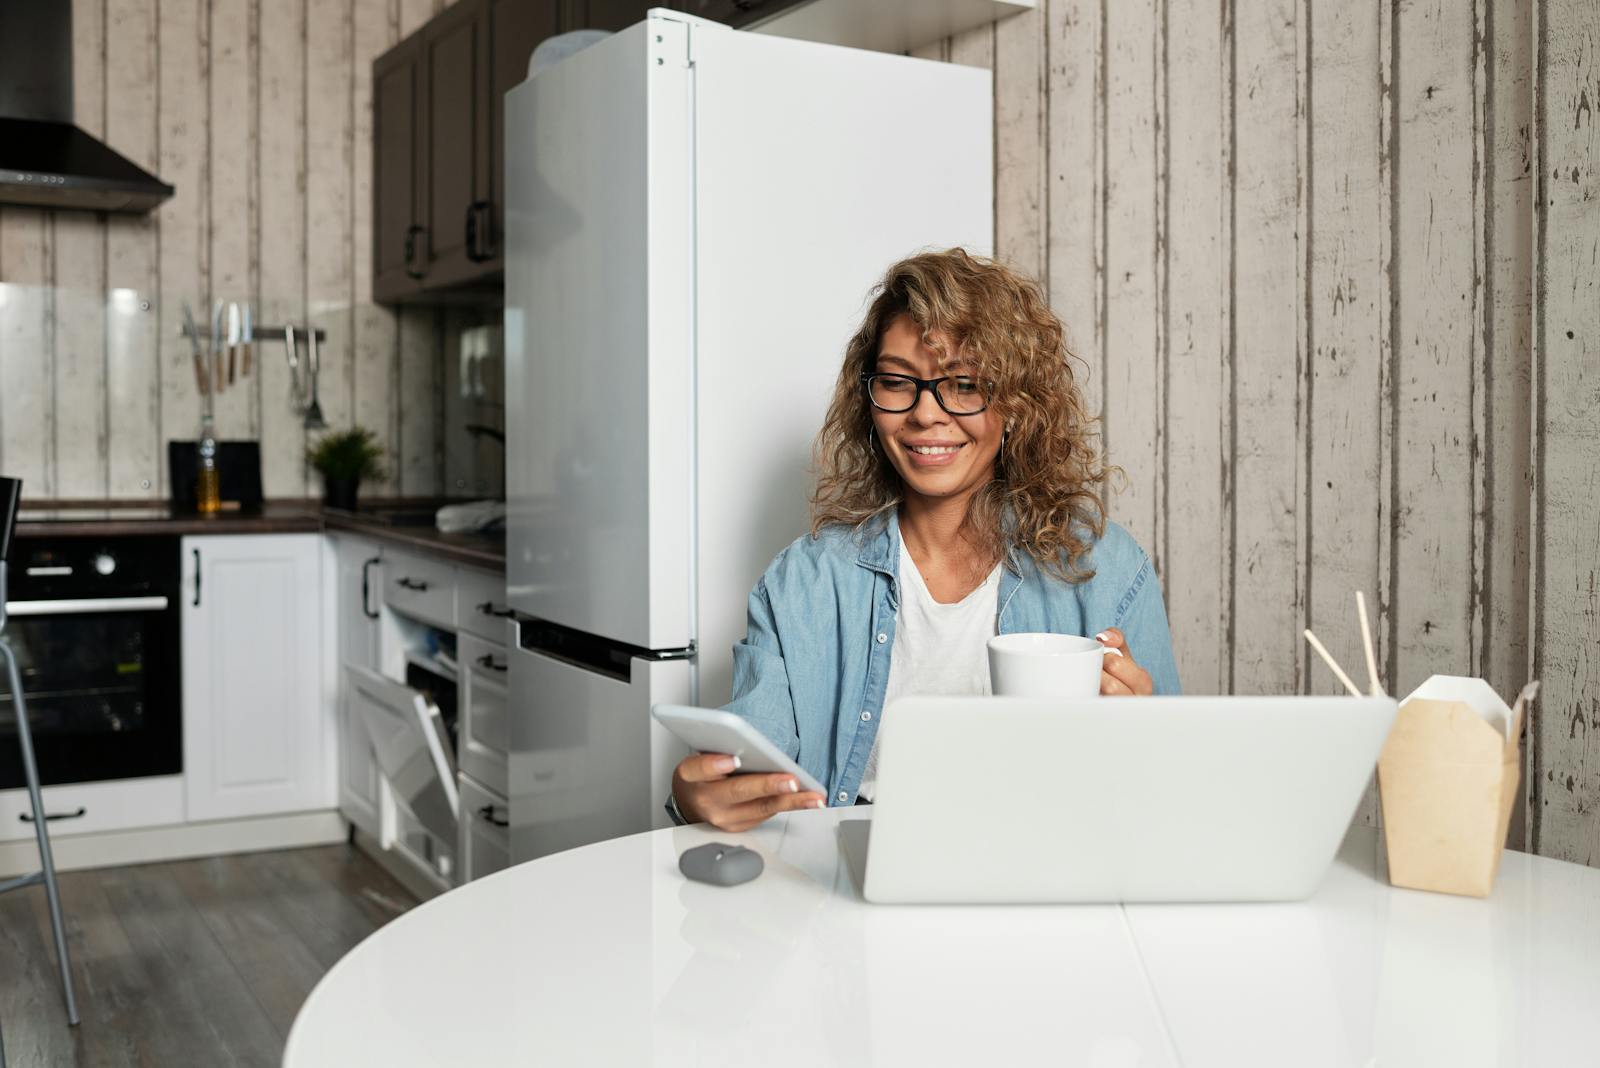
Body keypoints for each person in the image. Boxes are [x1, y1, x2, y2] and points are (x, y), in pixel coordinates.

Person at [671, 249, 1181, 831]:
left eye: (964, 384)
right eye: (897, 382)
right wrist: (702, 796)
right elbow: (750, 782)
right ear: (870, 401)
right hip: (848, 882)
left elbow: (1168, 803)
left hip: (1038, 877)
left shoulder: (1106, 571)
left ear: (1016, 404)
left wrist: (1147, 744)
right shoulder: (803, 584)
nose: (926, 414)